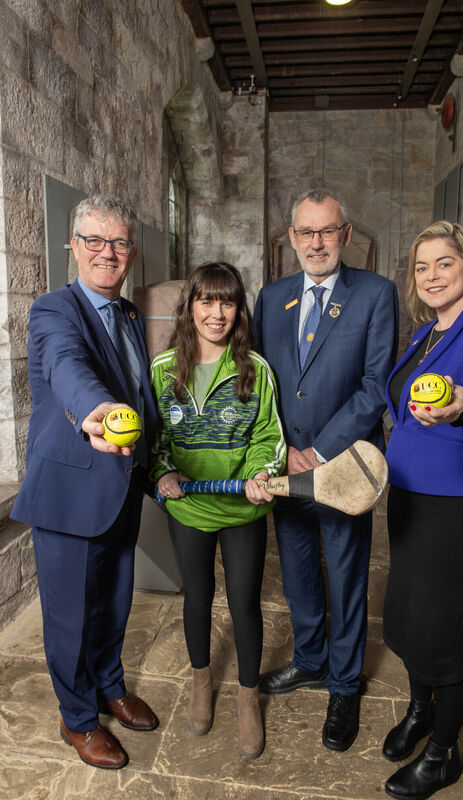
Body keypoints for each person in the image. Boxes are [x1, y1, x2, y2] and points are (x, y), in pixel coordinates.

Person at [11, 195, 159, 769]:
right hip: (70, 492)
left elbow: (141, 391)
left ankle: (109, 686)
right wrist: (98, 410)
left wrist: (155, 460)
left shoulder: (130, 316)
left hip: (121, 484)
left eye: (119, 242)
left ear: (132, 252)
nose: (107, 252)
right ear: (73, 246)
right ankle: (77, 718)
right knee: (71, 615)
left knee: (114, 601)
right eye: (94, 240)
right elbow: (66, 364)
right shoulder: (54, 309)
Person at [254, 187, 398, 752]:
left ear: (346, 234)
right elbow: (260, 380)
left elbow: (375, 386)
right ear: (292, 238)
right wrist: (279, 448)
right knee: (297, 573)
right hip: (285, 465)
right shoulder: (272, 297)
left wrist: (318, 451)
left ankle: (344, 684)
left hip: (342, 467)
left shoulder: (376, 294)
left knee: (346, 574)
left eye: (328, 230)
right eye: (306, 232)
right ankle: (311, 659)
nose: (317, 242)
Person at [382, 221, 463, 799]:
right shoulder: (425, 334)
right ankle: (420, 709)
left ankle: (442, 755)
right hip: (407, 494)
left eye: (444, 263)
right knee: (408, 618)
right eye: (421, 267)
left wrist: (462, 402)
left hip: (454, 503)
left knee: (442, 630)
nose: (431, 276)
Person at [150, 262, 285, 759]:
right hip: (189, 510)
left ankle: (248, 697)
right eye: (206, 300)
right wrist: (163, 473)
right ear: (190, 307)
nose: (216, 312)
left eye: (227, 302)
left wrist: (258, 474)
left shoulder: (256, 369)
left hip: (241, 511)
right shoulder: (164, 370)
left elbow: (268, 435)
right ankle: (201, 681)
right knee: (198, 599)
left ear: (238, 310)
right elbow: (154, 439)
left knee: (244, 603)